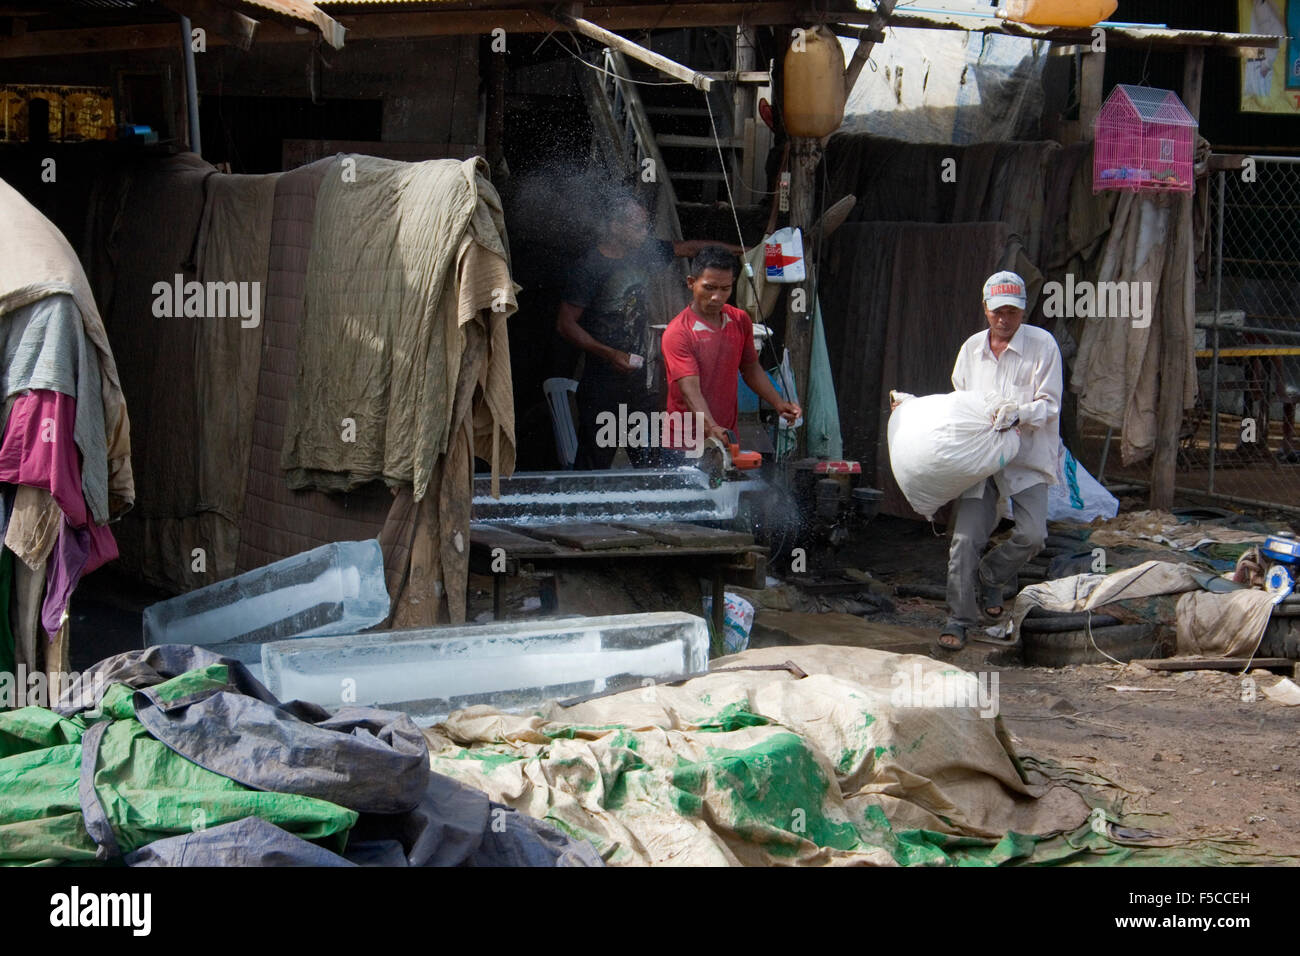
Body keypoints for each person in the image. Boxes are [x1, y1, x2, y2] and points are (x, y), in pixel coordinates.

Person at [556, 194, 743, 469]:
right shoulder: (589, 268)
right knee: (594, 465)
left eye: (646, 226)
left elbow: (690, 249)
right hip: (602, 385)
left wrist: (743, 250)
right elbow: (565, 324)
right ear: (615, 226)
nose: (645, 233)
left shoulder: (644, 251)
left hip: (641, 385)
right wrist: (609, 354)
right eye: (638, 226)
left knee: (652, 463)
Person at [935, 271, 1063, 653]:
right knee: (963, 541)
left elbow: (1050, 405)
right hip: (982, 460)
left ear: (1023, 311)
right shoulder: (971, 349)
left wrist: (1018, 413)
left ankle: (993, 574)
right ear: (985, 310)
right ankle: (958, 619)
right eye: (998, 313)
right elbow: (960, 400)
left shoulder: (1043, 346)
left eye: (1013, 312)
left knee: (1032, 534)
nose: (1005, 320)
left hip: (1026, 458)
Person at [660, 246, 801, 459]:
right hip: (683, 443)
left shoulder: (739, 320)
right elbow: (690, 391)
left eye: (725, 289)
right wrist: (711, 426)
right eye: (709, 287)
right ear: (691, 283)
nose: (717, 296)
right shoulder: (679, 332)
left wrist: (779, 403)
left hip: (726, 438)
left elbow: (751, 368)